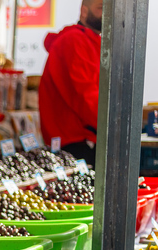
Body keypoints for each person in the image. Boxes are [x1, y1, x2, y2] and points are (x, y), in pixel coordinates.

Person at [39, 0, 103, 165]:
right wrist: (113, 124)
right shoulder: (75, 40)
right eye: (101, 8)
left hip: (82, 138)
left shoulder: (91, 41)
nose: (107, 15)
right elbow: (85, 94)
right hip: (74, 142)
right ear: (84, 11)